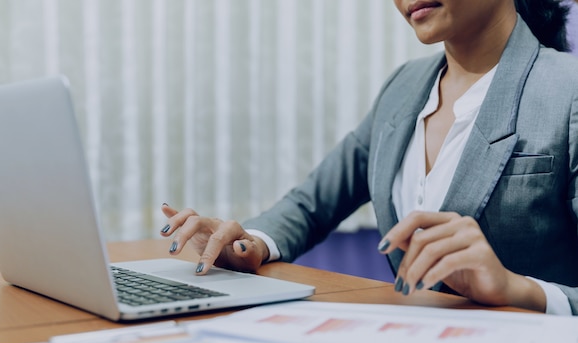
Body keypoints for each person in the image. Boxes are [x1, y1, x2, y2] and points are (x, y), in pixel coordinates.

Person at [160, 0, 578, 315]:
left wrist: (515, 288)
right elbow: (311, 205)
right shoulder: (404, 86)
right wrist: (249, 244)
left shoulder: (567, 91)